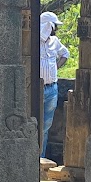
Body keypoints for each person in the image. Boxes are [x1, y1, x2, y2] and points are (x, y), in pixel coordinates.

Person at [39, 10, 70, 160]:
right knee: (34, 123)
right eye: (53, 26)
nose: (55, 29)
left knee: (46, 126)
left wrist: (55, 68)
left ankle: (41, 156)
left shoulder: (55, 42)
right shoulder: (32, 41)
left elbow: (66, 54)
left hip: (51, 88)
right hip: (36, 89)